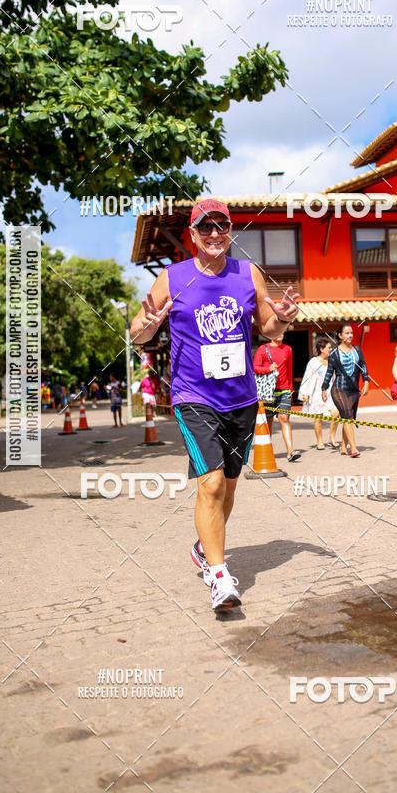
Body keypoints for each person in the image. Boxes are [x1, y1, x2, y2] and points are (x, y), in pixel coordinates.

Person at [129, 197, 299, 612]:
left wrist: (286, 318)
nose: (213, 234)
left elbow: (268, 325)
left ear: (230, 230)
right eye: (205, 227)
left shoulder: (248, 273)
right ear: (192, 235)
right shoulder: (172, 277)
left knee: (230, 486)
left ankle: (204, 547)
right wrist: (147, 326)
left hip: (241, 398)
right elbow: (137, 333)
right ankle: (220, 578)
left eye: (221, 225)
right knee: (211, 483)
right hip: (194, 397)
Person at [321, 322, 369, 458]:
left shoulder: (357, 350)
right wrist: (324, 389)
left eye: (351, 333)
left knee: (349, 417)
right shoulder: (334, 354)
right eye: (347, 333)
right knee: (347, 415)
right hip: (338, 388)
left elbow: (363, 366)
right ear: (340, 335)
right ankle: (353, 448)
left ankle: (343, 447)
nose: (350, 335)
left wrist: (366, 381)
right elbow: (329, 373)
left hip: (353, 389)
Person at [253, 334, 300, 462]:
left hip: (284, 390)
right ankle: (267, 451)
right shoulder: (263, 349)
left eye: (283, 331)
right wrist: (268, 368)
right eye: (277, 331)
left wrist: (290, 388)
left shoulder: (288, 349)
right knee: (268, 422)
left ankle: (290, 451)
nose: (280, 334)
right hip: (267, 392)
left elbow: (289, 369)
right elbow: (255, 367)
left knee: (284, 418)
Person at [298, 335, 340, 449]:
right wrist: (305, 393)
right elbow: (307, 377)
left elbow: (336, 377)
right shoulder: (313, 362)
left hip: (330, 391)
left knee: (336, 413)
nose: (331, 350)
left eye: (331, 347)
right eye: (329, 347)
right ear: (321, 349)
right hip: (317, 392)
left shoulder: (332, 361)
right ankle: (320, 441)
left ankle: (332, 437)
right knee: (318, 417)